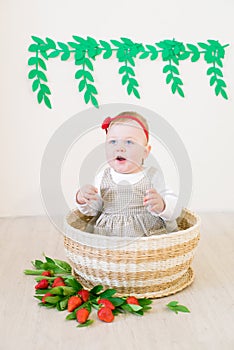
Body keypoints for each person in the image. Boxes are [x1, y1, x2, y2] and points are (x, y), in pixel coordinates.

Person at [75, 111, 181, 237]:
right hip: (109, 236)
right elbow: (93, 210)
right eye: (113, 142)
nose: (120, 148)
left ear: (145, 152)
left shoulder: (152, 176)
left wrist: (162, 205)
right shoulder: (103, 176)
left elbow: (175, 208)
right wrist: (82, 199)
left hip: (145, 237)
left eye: (129, 142)